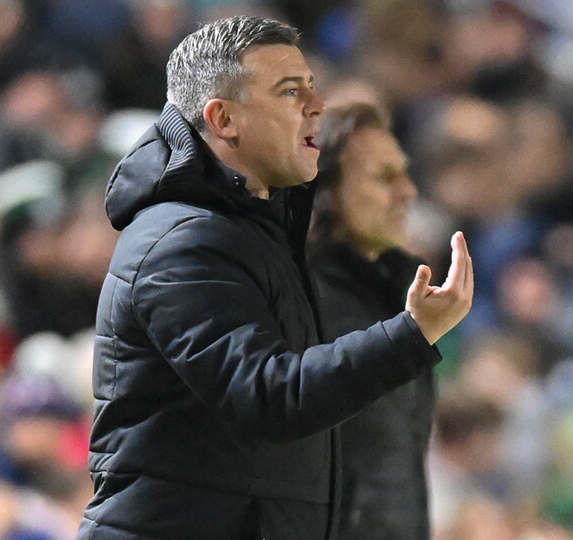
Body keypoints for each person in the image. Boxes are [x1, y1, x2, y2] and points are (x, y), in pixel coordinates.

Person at [78, 16, 473, 540]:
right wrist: (411, 334)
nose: (317, 106)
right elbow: (267, 396)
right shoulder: (181, 243)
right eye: (290, 91)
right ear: (223, 118)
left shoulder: (258, 237)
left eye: (312, 87)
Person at [307, 103, 431, 539]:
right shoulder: (304, 304)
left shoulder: (396, 301)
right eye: (384, 177)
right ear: (327, 195)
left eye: (404, 173)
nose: (407, 192)